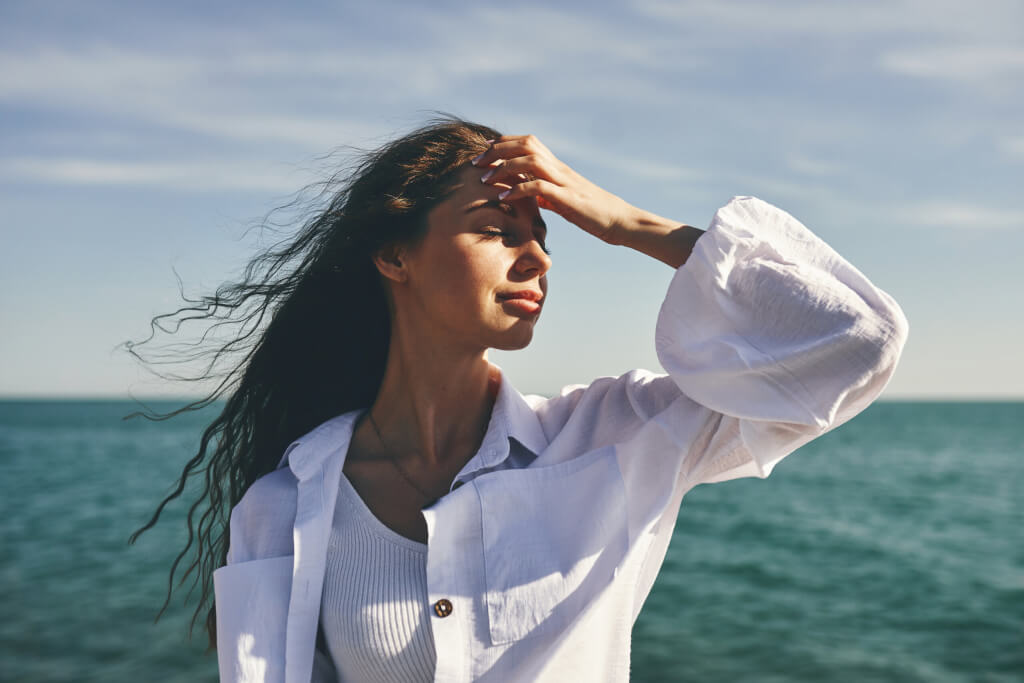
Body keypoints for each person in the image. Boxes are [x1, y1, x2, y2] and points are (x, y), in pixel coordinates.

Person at [132, 117, 907, 682]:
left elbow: (856, 339)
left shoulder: (619, 438)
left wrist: (626, 223)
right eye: (500, 228)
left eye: (547, 233)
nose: (537, 253)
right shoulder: (285, 507)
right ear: (394, 253)